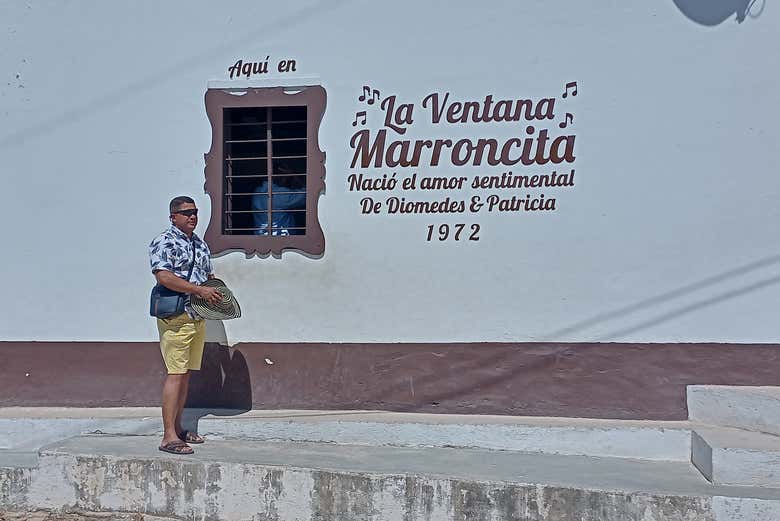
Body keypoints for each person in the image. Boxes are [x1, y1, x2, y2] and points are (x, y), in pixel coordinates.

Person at [148, 196, 221, 455]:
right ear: (173, 217)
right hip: (175, 314)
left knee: (186, 373)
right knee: (176, 373)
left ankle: (178, 428)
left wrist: (215, 291)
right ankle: (168, 436)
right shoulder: (164, 242)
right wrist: (198, 290)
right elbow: (164, 276)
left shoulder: (200, 245)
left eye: (195, 212)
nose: (192, 216)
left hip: (196, 316)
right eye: (186, 212)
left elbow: (207, 277)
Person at [251, 169, 306, 236]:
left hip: (261, 237)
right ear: (283, 178)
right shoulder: (281, 193)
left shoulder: (257, 192)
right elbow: (307, 194)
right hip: (282, 239)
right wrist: (294, 177)